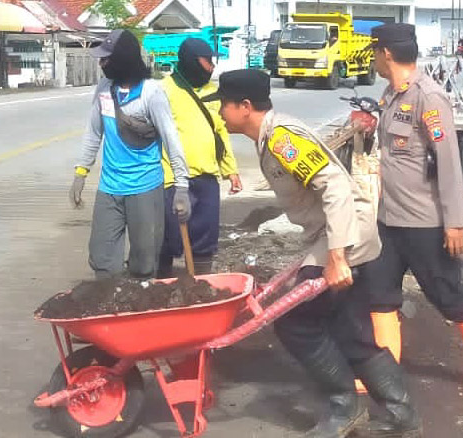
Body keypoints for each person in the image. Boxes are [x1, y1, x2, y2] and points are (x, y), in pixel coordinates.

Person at [208, 69, 422, 437]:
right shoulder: (271, 137)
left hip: (344, 235)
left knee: (296, 323)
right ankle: (402, 416)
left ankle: (345, 406)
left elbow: (335, 186)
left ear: (245, 106)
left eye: (224, 105)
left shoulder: (281, 140)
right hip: (340, 233)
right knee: (349, 330)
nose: (220, 113)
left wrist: (336, 256)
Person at [367, 23, 463, 399]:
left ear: (387, 53)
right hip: (388, 220)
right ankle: (385, 372)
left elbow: (448, 163)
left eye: (375, 52)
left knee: (447, 293)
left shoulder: (429, 97)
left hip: (424, 223)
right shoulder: (390, 94)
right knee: (378, 294)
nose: (374, 59)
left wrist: (456, 222)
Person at [68, 29, 191, 279]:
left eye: (106, 59)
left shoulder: (151, 94)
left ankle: (138, 306)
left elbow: (171, 140)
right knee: (101, 258)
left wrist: (181, 187)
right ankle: (108, 304)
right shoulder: (104, 89)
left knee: (144, 260)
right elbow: (94, 131)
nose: (101, 64)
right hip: (109, 188)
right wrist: (81, 173)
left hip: (145, 187)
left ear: (122, 60)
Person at [158, 38, 243, 277]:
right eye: (208, 61)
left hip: (207, 177)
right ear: (192, 62)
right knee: (167, 236)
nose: (212, 66)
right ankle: (159, 286)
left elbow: (221, 132)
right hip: (172, 178)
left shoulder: (212, 92)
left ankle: (200, 285)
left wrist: (230, 170)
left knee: (205, 238)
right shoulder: (163, 90)